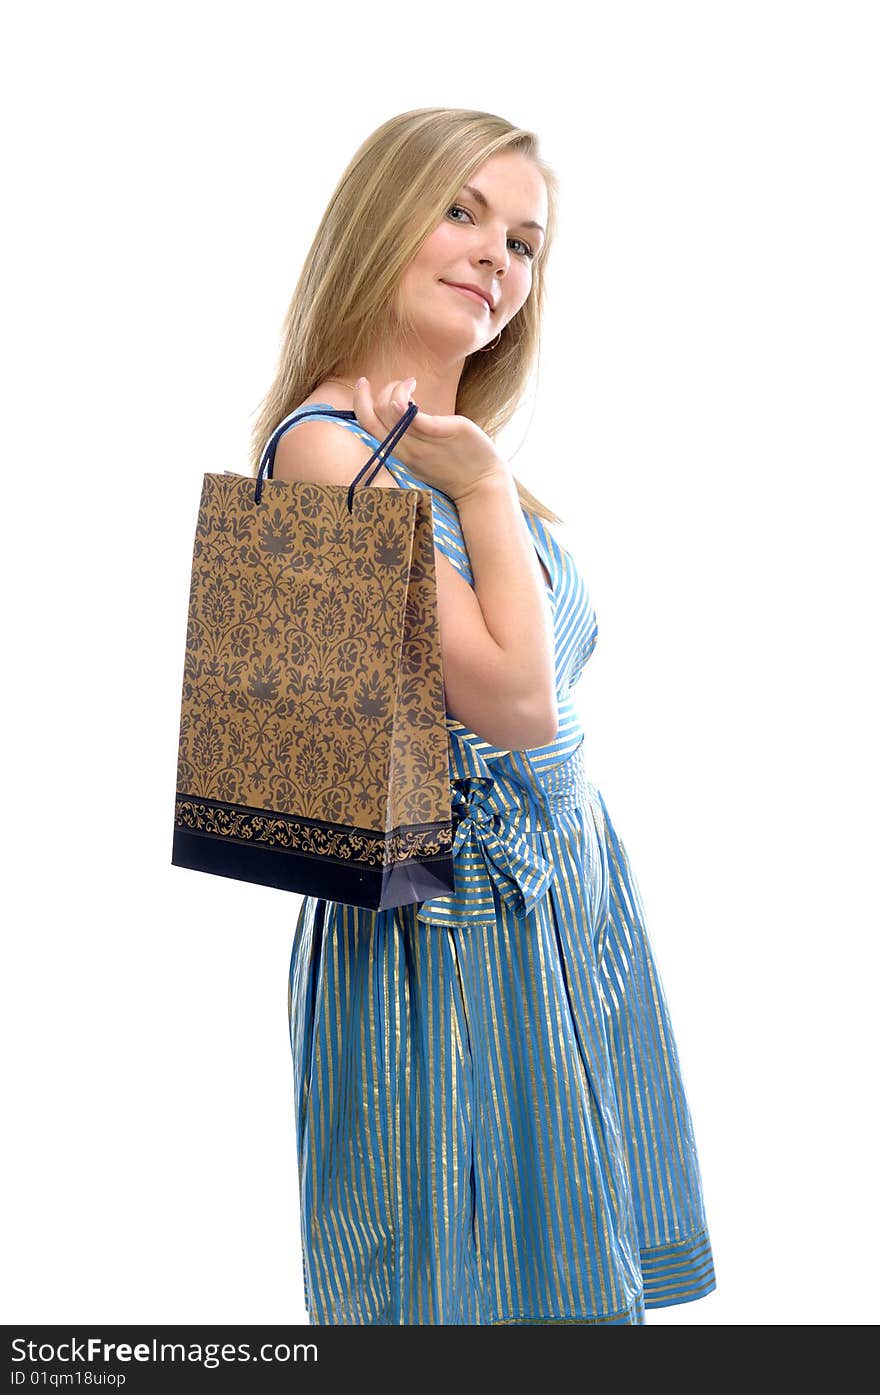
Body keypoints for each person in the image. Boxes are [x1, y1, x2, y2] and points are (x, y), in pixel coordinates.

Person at [252, 106, 716, 1325]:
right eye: (460, 211)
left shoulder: (445, 455)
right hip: (441, 936)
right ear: (378, 225)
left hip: (567, 909)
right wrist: (488, 488)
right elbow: (515, 702)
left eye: (524, 240)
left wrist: (481, 476)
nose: (496, 257)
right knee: (455, 1296)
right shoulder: (327, 452)